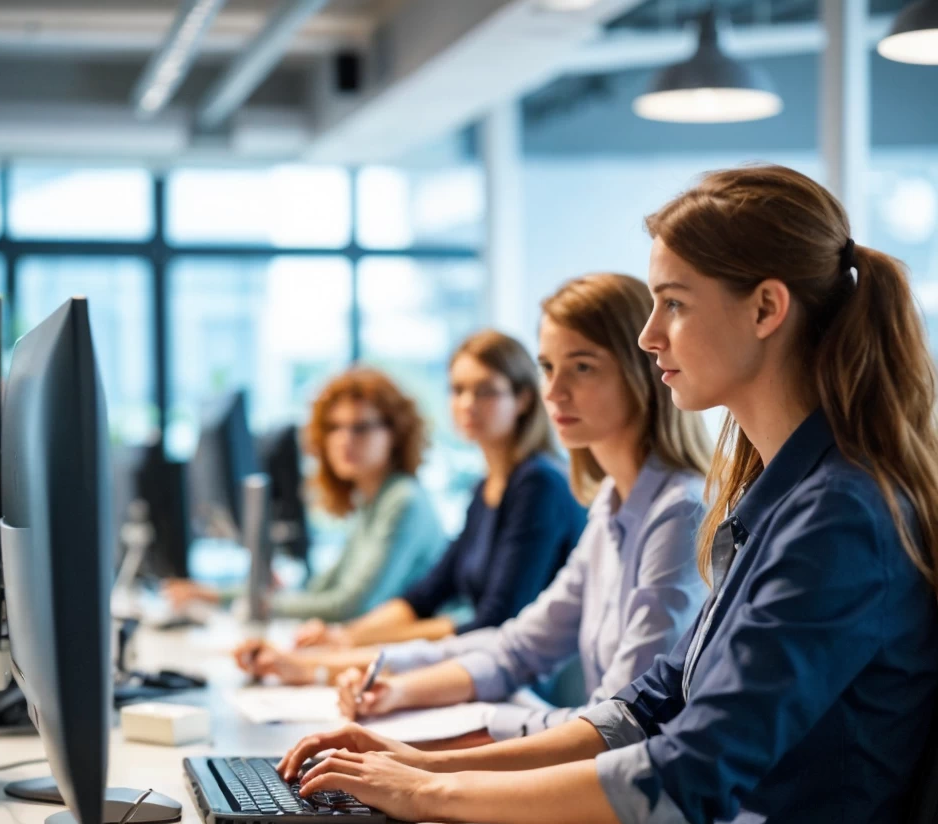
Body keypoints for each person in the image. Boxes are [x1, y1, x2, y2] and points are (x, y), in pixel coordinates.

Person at [277, 165, 938, 824]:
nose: (650, 336)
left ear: (766, 308)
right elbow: (646, 708)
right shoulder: (776, 497)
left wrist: (427, 795)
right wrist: (422, 765)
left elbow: (686, 777)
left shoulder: (840, 516)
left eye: (674, 305)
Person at [249, 274, 713, 743]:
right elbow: (513, 646)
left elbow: (620, 723)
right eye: (548, 367)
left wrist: (436, 757)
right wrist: (396, 689)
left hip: (618, 774)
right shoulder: (611, 504)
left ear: (644, 369)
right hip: (575, 743)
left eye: (583, 367)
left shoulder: (676, 513)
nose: (554, 392)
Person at [237, 329, 587, 674]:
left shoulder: (538, 484)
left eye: (485, 391)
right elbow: (426, 595)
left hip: (525, 684)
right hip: (484, 667)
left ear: (524, 399)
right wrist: (344, 636)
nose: (467, 404)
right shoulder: (485, 489)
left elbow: (494, 622)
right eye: (458, 390)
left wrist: (342, 651)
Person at [170, 367, 445, 622]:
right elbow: (320, 590)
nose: (344, 439)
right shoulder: (372, 501)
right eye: (333, 428)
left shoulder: (402, 500)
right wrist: (221, 595)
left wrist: (263, 604)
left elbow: (350, 606)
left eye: (360, 427)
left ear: (395, 434)